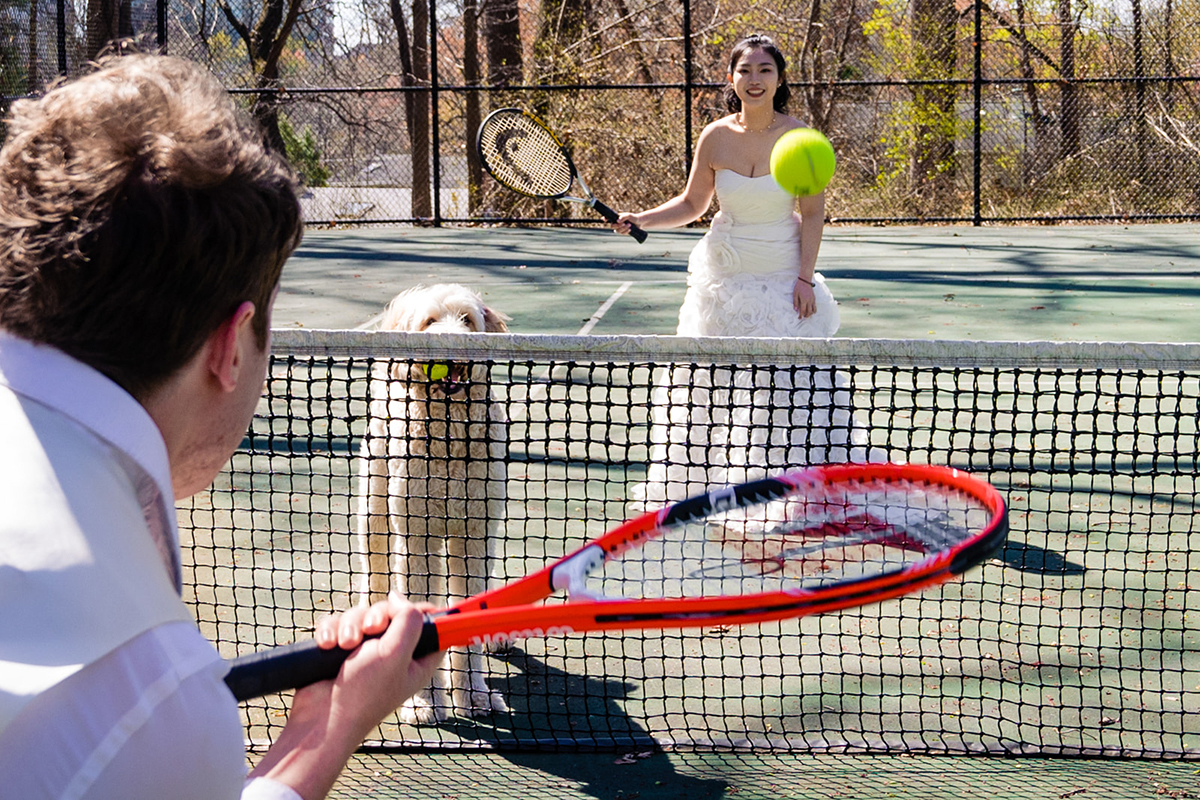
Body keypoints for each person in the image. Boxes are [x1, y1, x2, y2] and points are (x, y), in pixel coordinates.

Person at [0, 52, 442, 799]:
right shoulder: (154, 702)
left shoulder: (156, 701)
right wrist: (326, 734)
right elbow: (139, 740)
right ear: (231, 346)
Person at [613, 34, 887, 504]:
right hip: (721, 279)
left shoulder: (802, 138)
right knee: (707, 388)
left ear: (779, 79)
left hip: (784, 280)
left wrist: (805, 278)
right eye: (746, 70)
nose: (754, 79)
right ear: (731, 78)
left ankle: (791, 491)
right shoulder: (716, 137)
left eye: (765, 70)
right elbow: (693, 203)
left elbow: (814, 214)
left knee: (788, 393)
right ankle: (700, 484)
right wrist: (643, 219)